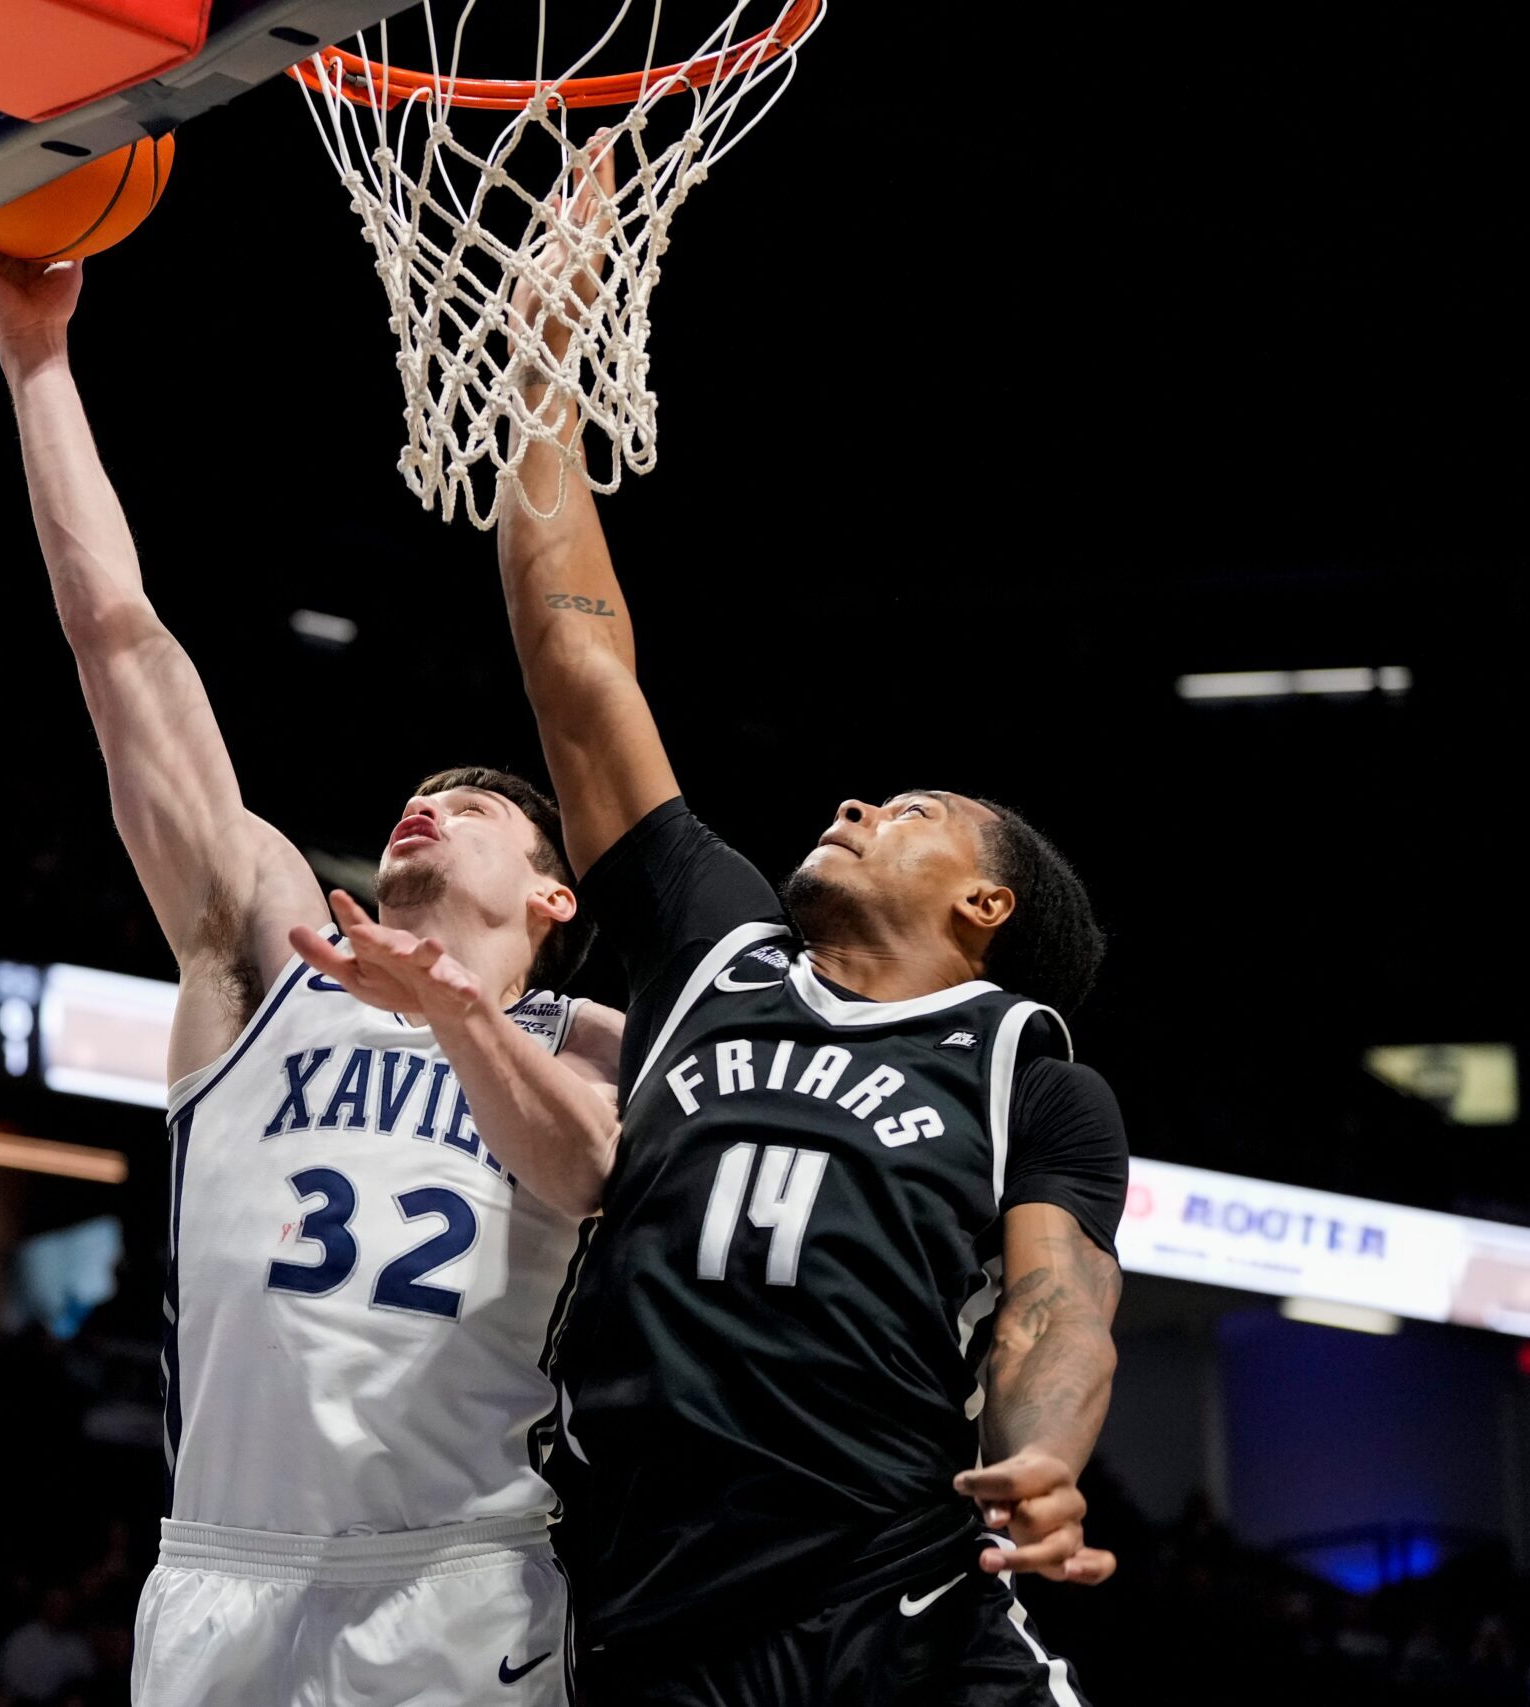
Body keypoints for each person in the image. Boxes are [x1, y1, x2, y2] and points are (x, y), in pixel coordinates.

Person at [467, 142, 1126, 1704]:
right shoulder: (715, 943)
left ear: (987, 904)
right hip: (657, 1600)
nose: (851, 806)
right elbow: (579, 668)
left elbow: (1057, 1304)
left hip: (893, 1592)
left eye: (910, 812)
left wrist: (1041, 1460)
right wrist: (546, 360)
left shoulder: (1023, 1070)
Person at [0, 230, 629, 1707]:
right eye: (421, 793)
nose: (428, 804)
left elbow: (618, 1165)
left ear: (554, 894)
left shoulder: (596, 1044)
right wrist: (36, 358)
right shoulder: (264, 956)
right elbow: (118, 641)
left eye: (480, 804)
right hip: (222, 1572)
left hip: (464, 1577)